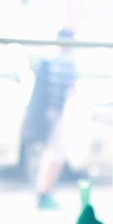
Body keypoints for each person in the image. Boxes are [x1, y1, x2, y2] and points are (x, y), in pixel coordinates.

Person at [22, 28, 78, 209]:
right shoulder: (60, 64)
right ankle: (43, 192)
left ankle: (44, 192)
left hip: (55, 113)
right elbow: (60, 91)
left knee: (53, 155)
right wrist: (53, 113)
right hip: (53, 114)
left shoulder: (55, 63)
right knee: (53, 155)